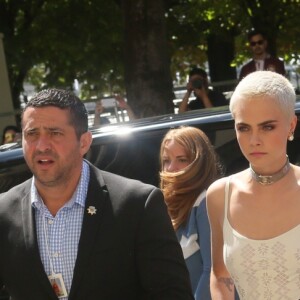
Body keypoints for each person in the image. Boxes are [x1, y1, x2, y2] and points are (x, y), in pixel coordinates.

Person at [0, 88, 194, 300]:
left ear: (84, 142)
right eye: (32, 134)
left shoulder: (138, 204)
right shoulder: (4, 212)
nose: (42, 145)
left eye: (55, 133)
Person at [207, 71, 299, 299]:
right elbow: (220, 274)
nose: (254, 140)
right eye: (244, 128)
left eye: (267, 127)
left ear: (291, 126)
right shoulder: (220, 195)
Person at [159, 126, 223, 299]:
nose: (172, 168)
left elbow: (214, 271)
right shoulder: (168, 203)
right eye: (166, 160)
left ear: (199, 161)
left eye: (182, 159)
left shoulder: (206, 202)